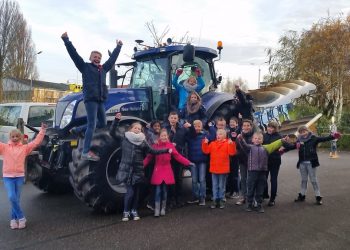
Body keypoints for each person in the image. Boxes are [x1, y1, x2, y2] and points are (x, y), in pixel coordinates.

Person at [61, 32, 123, 161]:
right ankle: (85, 151)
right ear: (90, 58)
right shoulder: (85, 67)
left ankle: (78, 129)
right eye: (95, 56)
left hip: (100, 99)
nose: (97, 58)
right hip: (90, 99)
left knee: (103, 123)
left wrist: (118, 47)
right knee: (92, 124)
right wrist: (67, 40)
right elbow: (74, 55)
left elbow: (112, 60)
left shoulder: (103, 69)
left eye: (99, 57)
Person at [112, 114, 170, 222]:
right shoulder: (124, 138)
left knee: (137, 192)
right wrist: (116, 120)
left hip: (138, 169)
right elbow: (112, 133)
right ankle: (126, 211)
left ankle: (134, 210)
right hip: (127, 169)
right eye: (135, 128)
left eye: (139, 129)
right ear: (131, 129)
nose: (137, 130)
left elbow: (152, 151)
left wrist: (166, 150)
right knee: (130, 192)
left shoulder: (143, 141)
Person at [1, 123, 47, 229]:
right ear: (10, 137)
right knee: (12, 197)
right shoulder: (4, 148)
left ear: (20, 137)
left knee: (16, 199)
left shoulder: (24, 148)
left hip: (19, 177)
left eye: (17, 136)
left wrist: (43, 130)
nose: (15, 138)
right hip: (8, 177)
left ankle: (13, 219)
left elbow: (36, 142)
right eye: (13, 136)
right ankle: (21, 217)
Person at [144, 129, 194, 217]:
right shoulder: (155, 146)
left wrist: (188, 162)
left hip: (167, 170)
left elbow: (178, 156)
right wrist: (142, 165)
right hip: (158, 170)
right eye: (162, 136)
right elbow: (148, 158)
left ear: (167, 137)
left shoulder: (170, 146)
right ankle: (157, 209)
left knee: (164, 190)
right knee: (158, 191)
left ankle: (163, 208)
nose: (164, 137)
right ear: (159, 137)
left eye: (165, 136)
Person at [288, 125, 341, 205]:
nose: (303, 133)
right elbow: (292, 146)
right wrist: (283, 149)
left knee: (313, 180)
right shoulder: (299, 140)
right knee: (304, 180)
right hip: (302, 163)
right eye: (301, 132)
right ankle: (302, 195)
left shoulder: (313, 138)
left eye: (304, 131)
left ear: (307, 130)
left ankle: (318, 196)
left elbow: (324, 139)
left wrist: (333, 136)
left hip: (311, 163)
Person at [237, 132, 286, 213]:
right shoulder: (250, 147)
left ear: (262, 140)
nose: (257, 140)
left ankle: (259, 205)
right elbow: (244, 145)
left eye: (259, 139)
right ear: (252, 140)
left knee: (260, 189)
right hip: (252, 172)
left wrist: (282, 140)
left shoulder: (266, 148)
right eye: (255, 138)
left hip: (262, 172)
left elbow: (274, 145)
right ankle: (249, 204)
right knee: (251, 188)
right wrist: (241, 139)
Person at [202, 129, 236, 209]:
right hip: (214, 169)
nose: (218, 135)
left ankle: (221, 200)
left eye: (220, 134)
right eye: (217, 134)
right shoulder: (213, 143)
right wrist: (205, 143)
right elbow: (206, 151)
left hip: (223, 169)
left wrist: (231, 144)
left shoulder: (228, 143)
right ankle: (215, 200)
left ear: (224, 135)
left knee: (221, 186)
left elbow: (232, 153)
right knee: (215, 185)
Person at [163, 111, 188, 208]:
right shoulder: (165, 128)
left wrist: (190, 127)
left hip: (178, 156)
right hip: (168, 157)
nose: (173, 120)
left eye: (175, 118)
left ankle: (178, 199)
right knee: (170, 179)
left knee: (178, 178)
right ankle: (170, 199)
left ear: (178, 119)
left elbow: (189, 138)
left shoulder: (182, 129)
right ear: (168, 118)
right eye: (171, 118)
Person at [186, 120, 209, 206]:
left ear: (202, 127)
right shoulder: (190, 136)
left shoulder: (205, 135)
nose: (197, 128)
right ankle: (196, 196)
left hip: (202, 160)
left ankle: (202, 197)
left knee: (202, 179)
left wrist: (210, 126)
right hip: (193, 160)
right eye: (195, 126)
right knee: (194, 180)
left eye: (199, 126)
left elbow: (212, 136)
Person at [235, 119, 255, 206]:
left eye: (248, 125)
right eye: (244, 125)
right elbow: (236, 147)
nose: (246, 127)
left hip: (252, 161)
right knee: (243, 179)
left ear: (251, 126)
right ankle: (243, 196)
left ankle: (251, 197)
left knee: (251, 180)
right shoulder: (239, 136)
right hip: (242, 161)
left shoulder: (255, 136)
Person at [263, 121, 283, 206]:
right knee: (264, 178)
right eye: (269, 127)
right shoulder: (264, 135)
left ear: (275, 129)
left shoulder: (279, 137)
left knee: (273, 179)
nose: (270, 129)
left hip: (275, 160)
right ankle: (265, 194)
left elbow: (285, 145)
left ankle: (272, 198)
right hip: (265, 160)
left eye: (272, 127)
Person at [227, 116, 241, 199]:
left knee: (235, 174)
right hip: (229, 155)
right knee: (230, 173)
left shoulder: (238, 131)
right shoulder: (228, 131)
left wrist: (240, 119)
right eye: (230, 122)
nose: (232, 123)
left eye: (233, 122)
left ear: (236, 124)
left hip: (236, 155)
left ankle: (236, 191)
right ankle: (230, 190)